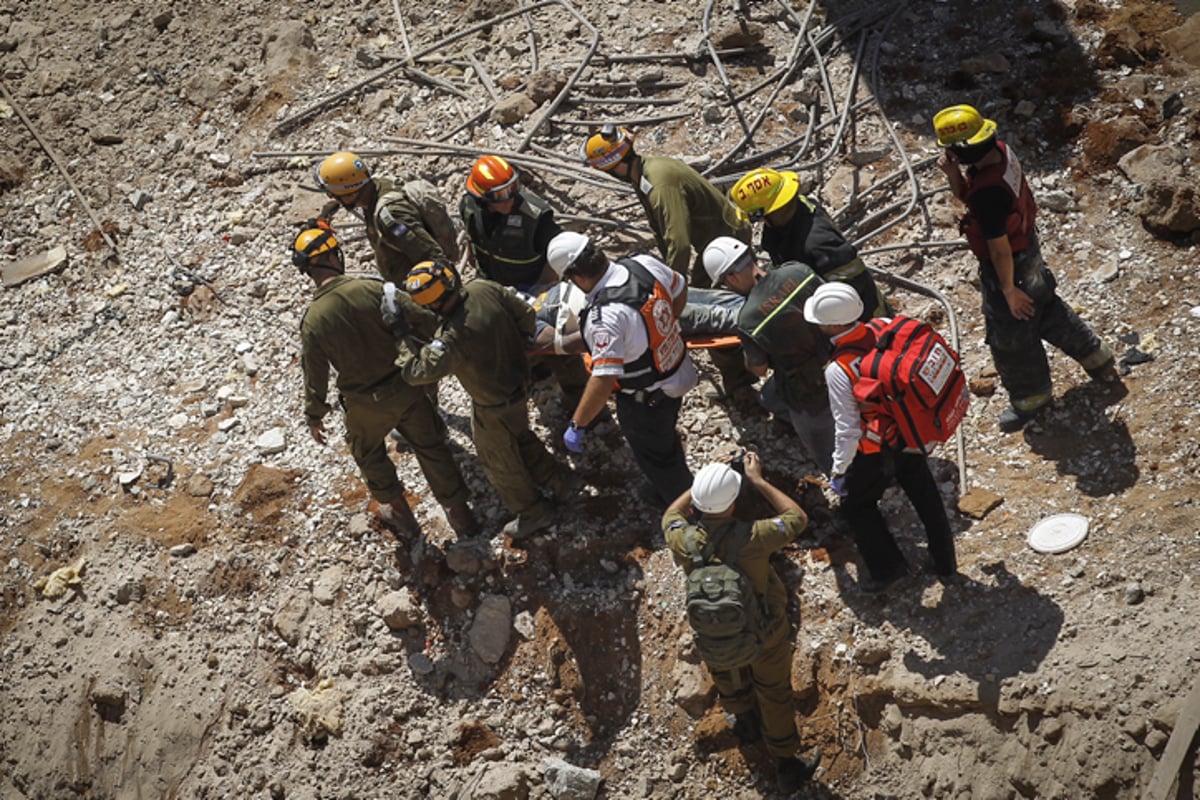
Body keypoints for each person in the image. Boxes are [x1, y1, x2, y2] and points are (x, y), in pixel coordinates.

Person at [932, 104, 1118, 431]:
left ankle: (1031, 398)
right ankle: (1097, 358)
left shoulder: (990, 192)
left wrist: (1008, 291)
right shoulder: (999, 153)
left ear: (964, 148)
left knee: (1011, 336)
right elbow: (968, 198)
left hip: (1009, 265)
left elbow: (998, 248)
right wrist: (952, 176)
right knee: (1045, 308)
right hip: (1029, 251)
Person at [292, 226, 478, 539]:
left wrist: (314, 414)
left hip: (364, 404)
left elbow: (315, 373)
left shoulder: (312, 319)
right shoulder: (374, 289)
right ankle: (461, 516)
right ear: (334, 257)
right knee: (431, 447)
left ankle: (401, 515)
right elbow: (426, 319)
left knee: (368, 454)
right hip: (406, 389)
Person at [663, 455, 822, 793]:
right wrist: (759, 480)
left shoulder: (685, 541)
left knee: (727, 670)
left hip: (717, 632)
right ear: (734, 501)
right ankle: (786, 764)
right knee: (774, 693)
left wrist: (700, 486)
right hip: (766, 633)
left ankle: (744, 721)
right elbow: (796, 518)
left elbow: (670, 517)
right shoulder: (753, 536)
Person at [393, 260, 577, 539]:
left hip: (492, 404)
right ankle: (559, 481)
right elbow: (526, 315)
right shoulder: (484, 288)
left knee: (499, 461)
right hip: (519, 384)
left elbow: (417, 372)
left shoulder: (452, 337)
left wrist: (401, 336)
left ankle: (533, 512)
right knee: (521, 436)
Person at [581, 125, 756, 401]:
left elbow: (679, 242)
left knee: (711, 311)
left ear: (612, 167)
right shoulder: (646, 172)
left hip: (724, 244)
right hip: (712, 239)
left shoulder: (658, 185)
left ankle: (742, 380)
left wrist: (667, 290)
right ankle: (741, 374)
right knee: (704, 302)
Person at [804, 282, 957, 591]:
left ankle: (888, 570)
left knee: (857, 505)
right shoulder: (884, 325)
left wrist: (839, 468)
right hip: (912, 430)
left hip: (875, 446)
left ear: (832, 324)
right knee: (925, 495)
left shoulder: (838, 369)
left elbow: (847, 428)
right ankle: (946, 563)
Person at [546, 231, 697, 507]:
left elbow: (604, 379)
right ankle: (668, 482)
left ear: (575, 277)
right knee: (663, 441)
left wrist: (578, 424)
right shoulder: (642, 264)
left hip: (647, 398)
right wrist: (666, 327)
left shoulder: (604, 317)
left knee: (656, 455)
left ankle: (693, 511)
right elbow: (680, 287)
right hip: (677, 371)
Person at [459, 154, 589, 409]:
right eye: (499, 195)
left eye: (511, 190)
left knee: (556, 347)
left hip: (532, 289)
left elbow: (555, 259)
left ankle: (581, 401)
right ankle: (536, 375)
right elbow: (472, 238)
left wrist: (539, 292)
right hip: (494, 286)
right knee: (506, 339)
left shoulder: (535, 217)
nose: (508, 199)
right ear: (482, 197)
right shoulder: (469, 206)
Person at [702, 236, 834, 473]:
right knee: (770, 396)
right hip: (843, 355)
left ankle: (842, 474)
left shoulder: (749, 319)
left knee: (824, 450)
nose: (728, 288)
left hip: (809, 387)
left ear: (731, 277)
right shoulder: (798, 271)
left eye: (725, 283)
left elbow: (759, 369)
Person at [729, 167, 889, 321]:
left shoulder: (817, 242)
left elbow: (852, 284)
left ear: (772, 211)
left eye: (758, 217)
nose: (760, 222)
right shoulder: (791, 213)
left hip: (859, 314)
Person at [313, 151, 459, 285]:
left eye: (334, 195)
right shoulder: (375, 185)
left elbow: (431, 256)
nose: (334, 199)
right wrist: (324, 216)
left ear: (351, 194)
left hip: (422, 290)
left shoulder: (391, 218)